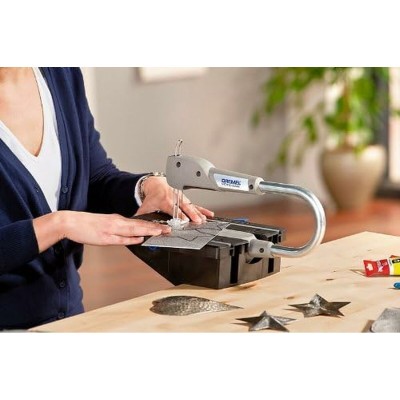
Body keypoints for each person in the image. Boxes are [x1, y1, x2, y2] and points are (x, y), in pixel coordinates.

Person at [0, 67, 214, 330]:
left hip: (70, 321)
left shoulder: (62, 74)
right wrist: (58, 225)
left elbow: (95, 178)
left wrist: (145, 187)